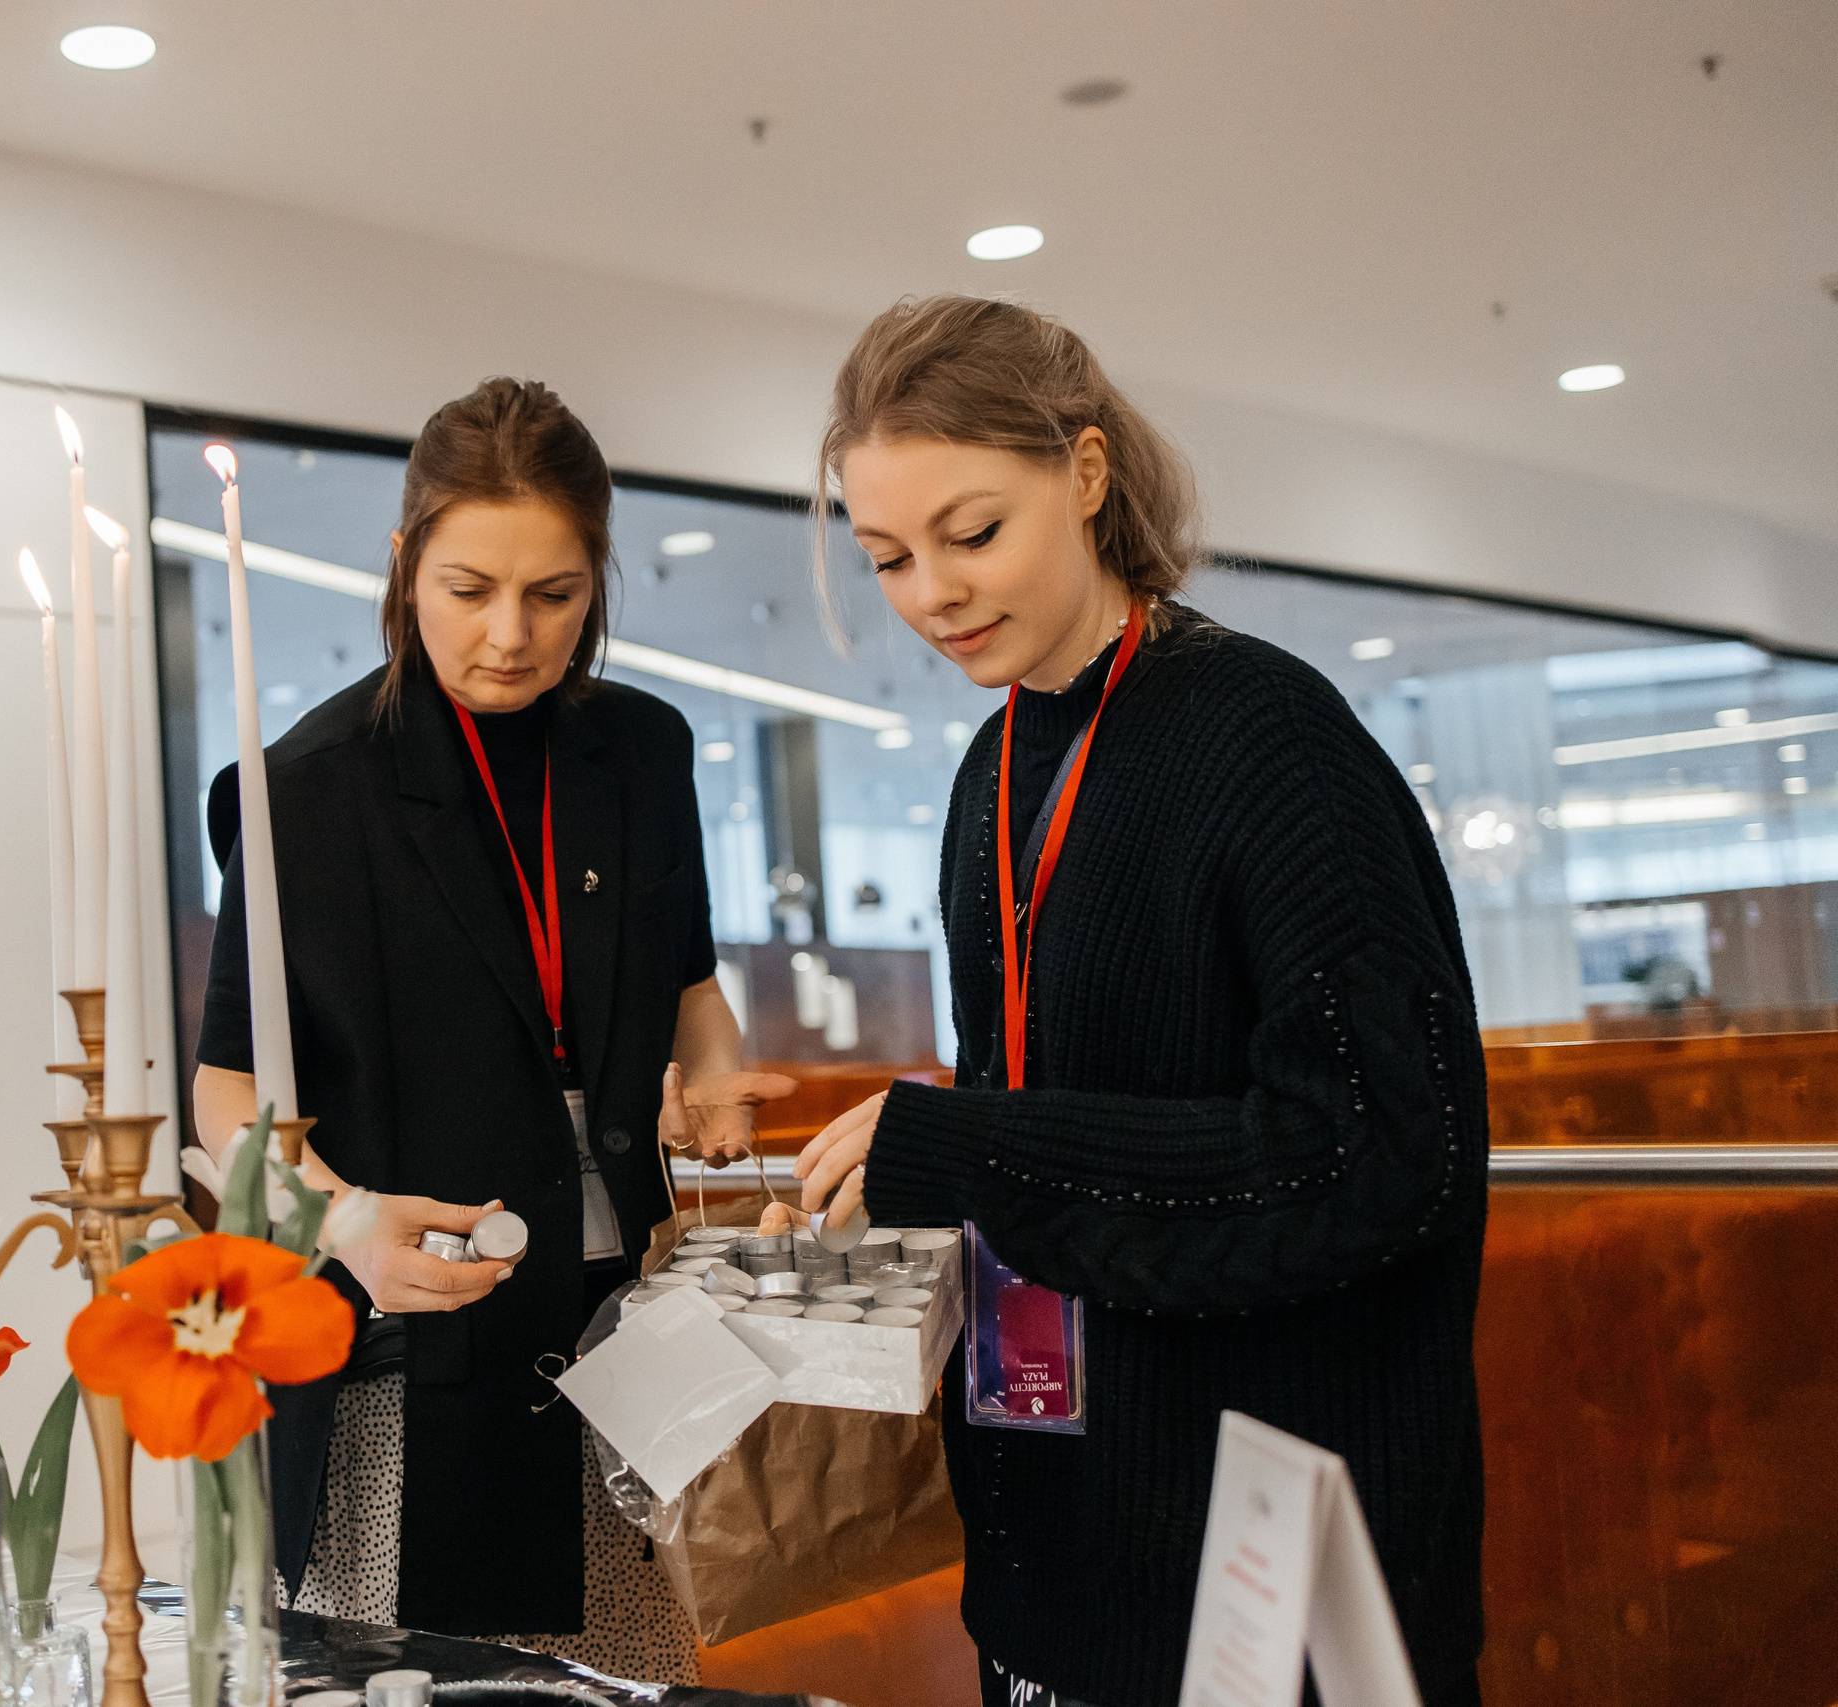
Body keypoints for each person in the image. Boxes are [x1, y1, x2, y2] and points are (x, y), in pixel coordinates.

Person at [793, 297, 1486, 1707]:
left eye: (971, 533)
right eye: (887, 559)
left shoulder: (1268, 738)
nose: (931, 591)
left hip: (1273, 1580)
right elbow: (1061, 1137)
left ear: (1090, 476)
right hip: (1052, 1557)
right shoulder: (990, 777)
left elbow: (1372, 1161)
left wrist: (970, 1145)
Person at [192, 377, 793, 1683]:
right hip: (407, 1370)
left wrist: (719, 1064)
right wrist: (339, 1219)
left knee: (627, 1685)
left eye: (557, 594)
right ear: (406, 566)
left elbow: (690, 986)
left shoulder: (642, 751)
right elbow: (230, 1093)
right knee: (417, 1685)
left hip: (627, 1348)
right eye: (471, 590)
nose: (514, 635)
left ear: (599, 579)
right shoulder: (303, 788)